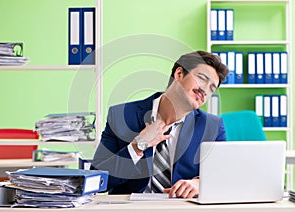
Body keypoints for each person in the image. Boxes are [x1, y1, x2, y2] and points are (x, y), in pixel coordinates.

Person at [91, 50, 229, 198]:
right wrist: (138, 145)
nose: (205, 90)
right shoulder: (121, 115)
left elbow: (224, 177)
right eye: (202, 78)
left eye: (211, 88)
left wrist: (200, 183)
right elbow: (96, 181)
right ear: (179, 74)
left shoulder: (213, 126)